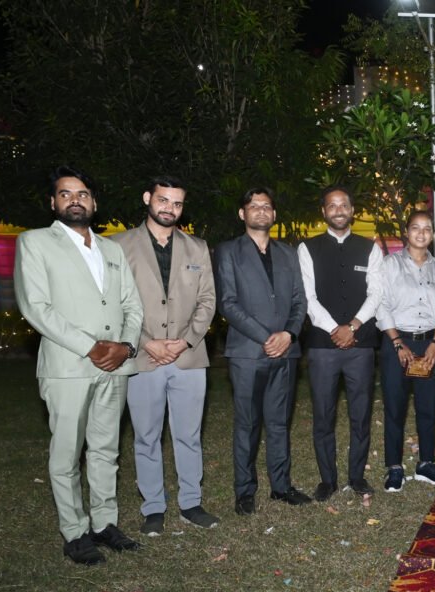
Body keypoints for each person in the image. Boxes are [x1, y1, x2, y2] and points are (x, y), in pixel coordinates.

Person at [14, 166, 144, 564]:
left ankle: (104, 523)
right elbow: (36, 307)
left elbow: (132, 305)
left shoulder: (112, 249)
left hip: (114, 366)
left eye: (83, 194)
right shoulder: (35, 242)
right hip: (68, 366)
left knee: (106, 450)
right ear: (53, 202)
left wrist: (126, 346)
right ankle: (74, 532)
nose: (75, 200)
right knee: (67, 455)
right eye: (66, 194)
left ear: (94, 203)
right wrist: (91, 347)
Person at [114, 176, 218, 536]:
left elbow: (207, 301)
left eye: (176, 203)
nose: (169, 208)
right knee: (146, 436)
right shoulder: (118, 245)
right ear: (148, 198)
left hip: (188, 357)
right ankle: (153, 507)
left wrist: (184, 341)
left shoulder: (197, 247)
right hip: (143, 357)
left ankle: (191, 503)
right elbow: (114, 304)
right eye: (163, 200)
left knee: (189, 434)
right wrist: (146, 342)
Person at [214, 187, 310, 515]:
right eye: (254, 206)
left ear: (274, 214)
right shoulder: (228, 251)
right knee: (248, 424)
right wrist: (266, 337)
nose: (261, 211)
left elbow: (299, 300)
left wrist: (289, 334)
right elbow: (227, 302)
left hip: (286, 351)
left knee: (279, 423)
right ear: (242, 213)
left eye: (266, 206)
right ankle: (245, 490)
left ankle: (281, 487)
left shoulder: (288, 253)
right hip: (247, 352)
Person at [297, 185, 384, 503]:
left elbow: (376, 292)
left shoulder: (370, 248)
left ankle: (357, 476)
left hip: (360, 344)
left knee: (361, 413)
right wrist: (336, 328)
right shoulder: (307, 248)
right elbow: (308, 297)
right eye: (332, 206)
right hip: (323, 344)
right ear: (324, 211)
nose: (338, 210)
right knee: (324, 413)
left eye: (343, 205)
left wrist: (354, 326)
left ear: (352, 210)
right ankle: (328, 479)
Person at [375, 210, 435, 493]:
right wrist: (397, 342)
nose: (421, 233)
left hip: (428, 345)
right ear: (407, 232)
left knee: (427, 406)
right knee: (395, 407)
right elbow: (380, 304)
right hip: (397, 343)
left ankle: (426, 463)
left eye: (427, 228)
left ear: (432, 234)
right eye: (415, 228)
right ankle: (394, 467)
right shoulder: (390, 264)